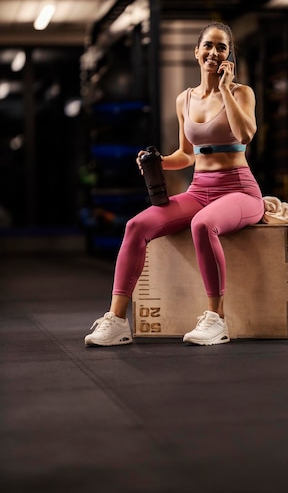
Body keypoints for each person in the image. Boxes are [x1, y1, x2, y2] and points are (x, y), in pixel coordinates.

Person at [85, 22, 264, 347]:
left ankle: (216, 319)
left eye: (221, 47)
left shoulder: (241, 93)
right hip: (199, 190)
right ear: (196, 52)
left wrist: (225, 89)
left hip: (240, 190)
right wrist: (157, 163)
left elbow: (245, 135)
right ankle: (116, 320)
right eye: (208, 45)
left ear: (229, 55)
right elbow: (186, 154)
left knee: (202, 224)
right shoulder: (185, 100)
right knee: (137, 225)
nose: (214, 52)